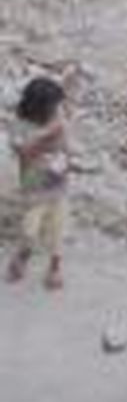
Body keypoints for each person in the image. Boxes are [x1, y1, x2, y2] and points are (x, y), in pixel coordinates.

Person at [7, 77, 70, 291]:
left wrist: (55, 134)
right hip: (34, 184)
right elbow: (22, 153)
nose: (57, 109)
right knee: (30, 228)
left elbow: (64, 142)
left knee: (57, 228)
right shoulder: (19, 125)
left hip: (58, 182)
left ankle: (55, 267)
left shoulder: (56, 117)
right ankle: (23, 255)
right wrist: (45, 135)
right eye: (53, 105)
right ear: (39, 107)